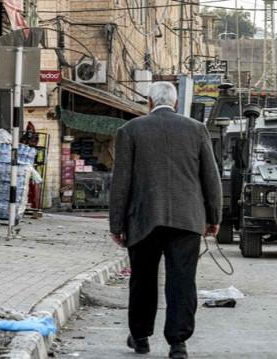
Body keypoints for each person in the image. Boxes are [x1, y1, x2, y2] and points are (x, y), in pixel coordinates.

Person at [109, 82, 222, 359]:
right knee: (182, 281)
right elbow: (211, 177)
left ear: (149, 102)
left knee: (143, 281)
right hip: (187, 220)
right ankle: (178, 344)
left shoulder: (130, 130)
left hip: (143, 220)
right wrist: (214, 217)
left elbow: (121, 182)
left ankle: (140, 337)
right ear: (175, 101)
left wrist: (116, 224)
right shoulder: (196, 129)